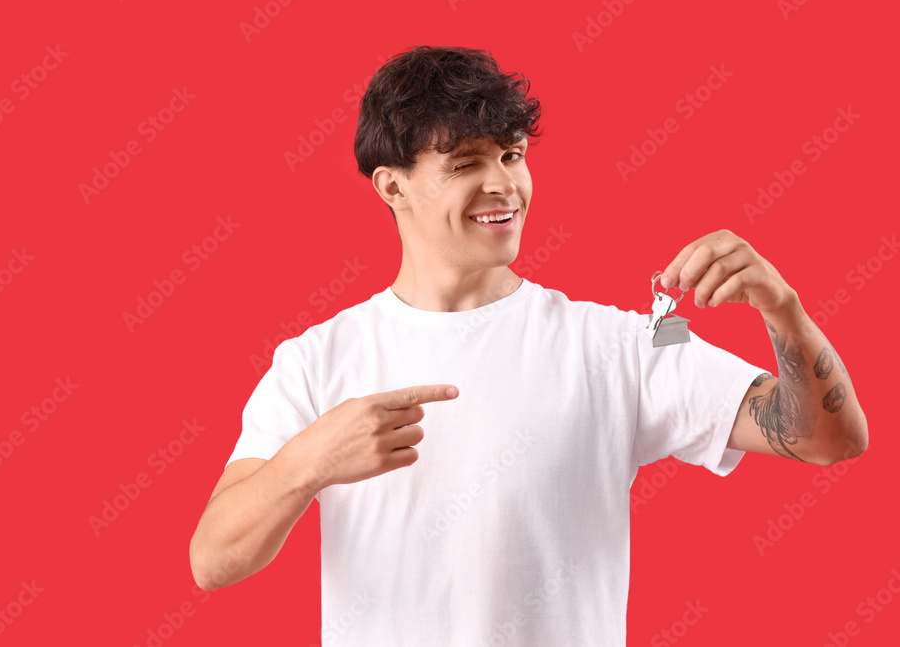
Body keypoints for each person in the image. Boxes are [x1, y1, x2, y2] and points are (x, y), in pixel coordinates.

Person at [188, 45, 868, 646]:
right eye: (466, 163)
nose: (503, 185)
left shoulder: (617, 344)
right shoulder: (316, 359)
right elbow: (212, 560)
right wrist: (309, 461)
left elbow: (829, 438)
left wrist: (784, 311)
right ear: (392, 186)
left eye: (512, 155)